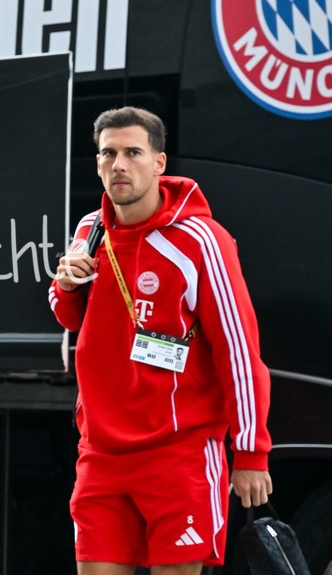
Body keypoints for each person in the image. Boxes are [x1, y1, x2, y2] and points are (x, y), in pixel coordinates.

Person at [49, 107, 272, 574]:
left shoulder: (200, 239)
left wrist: (250, 450)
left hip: (179, 454)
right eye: (108, 154)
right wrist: (65, 287)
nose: (119, 165)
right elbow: (70, 316)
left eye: (133, 152)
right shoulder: (90, 230)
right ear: (96, 163)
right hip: (100, 453)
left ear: (159, 162)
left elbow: (239, 348)